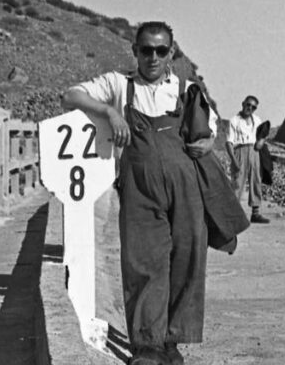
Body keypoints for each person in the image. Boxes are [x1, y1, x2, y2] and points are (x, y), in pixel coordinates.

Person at [62, 21, 237, 365]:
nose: (153, 57)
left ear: (171, 52)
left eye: (160, 50)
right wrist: (109, 111)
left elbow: (210, 131)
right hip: (140, 190)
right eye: (146, 50)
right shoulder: (119, 85)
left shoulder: (187, 88)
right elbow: (70, 95)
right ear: (135, 51)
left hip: (186, 188)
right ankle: (146, 345)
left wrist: (206, 141)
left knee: (186, 260)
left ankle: (171, 343)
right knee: (143, 262)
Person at [225, 95, 270, 223]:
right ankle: (233, 214)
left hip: (254, 152)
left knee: (256, 180)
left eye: (253, 107)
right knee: (237, 182)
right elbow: (229, 142)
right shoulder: (234, 120)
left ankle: (255, 213)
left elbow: (263, 133)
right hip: (240, 150)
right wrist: (234, 160)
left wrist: (261, 141)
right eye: (248, 105)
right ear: (243, 103)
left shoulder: (257, 119)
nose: (250, 108)